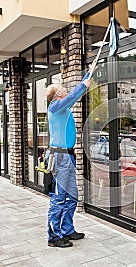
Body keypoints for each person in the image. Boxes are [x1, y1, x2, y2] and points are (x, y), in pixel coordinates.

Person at [45, 64, 94, 248]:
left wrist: (89, 74)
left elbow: (74, 95)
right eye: (62, 89)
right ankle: (54, 237)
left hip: (68, 157)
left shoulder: (63, 108)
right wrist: (83, 86)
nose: (65, 90)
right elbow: (74, 95)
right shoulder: (55, 107)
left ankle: (67, 229)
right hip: (59, 158)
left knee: (72, 195)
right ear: (57, 95)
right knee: (59, 198)